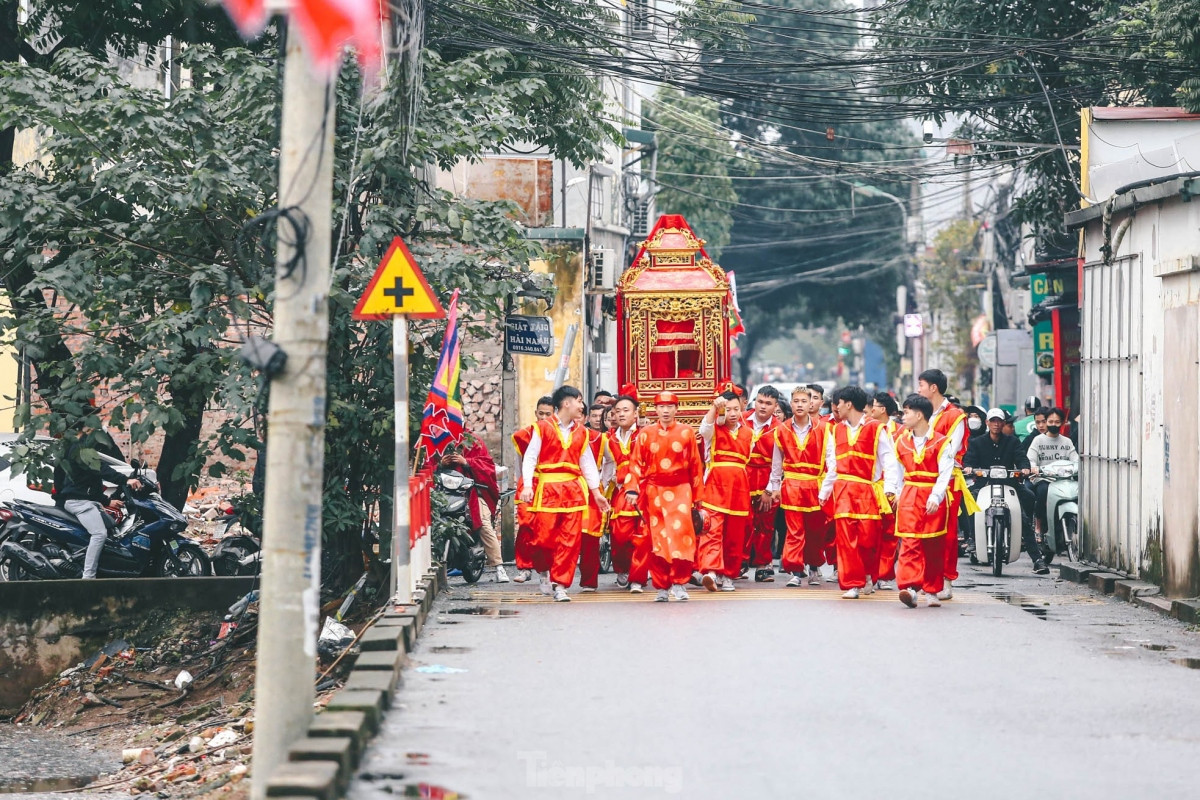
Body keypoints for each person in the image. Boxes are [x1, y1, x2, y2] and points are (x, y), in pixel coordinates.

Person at [519, 386, 611, 602]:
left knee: (570, 541)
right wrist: (527, 486)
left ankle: (561, 584)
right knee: (543, 540)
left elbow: (587, 463)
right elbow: (530, 457)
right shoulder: (542, 428)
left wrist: (596, 493)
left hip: (573, 492)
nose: (581, 405)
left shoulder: (582, 432)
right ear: (567, 403)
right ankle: (543, 570)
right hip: (548, 490)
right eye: (579, 401)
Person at [818, 386, 901, 599]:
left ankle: (868, 574)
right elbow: (833, 464)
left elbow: (889, 461)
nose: (835, 408)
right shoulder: (836, 430)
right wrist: (825, 490)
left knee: (868, 540)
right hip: (844, 491)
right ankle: (852, 584)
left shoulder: (876, 428)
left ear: (848, 403)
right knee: (846, 541)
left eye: (838, 403)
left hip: (867, 490)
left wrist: (891, 489)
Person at [626, 391, 705, 601]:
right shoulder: (645, 433)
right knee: (657, 538)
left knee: (682, 537)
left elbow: (696, 466)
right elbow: (634, 464)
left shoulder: (687, 432)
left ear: (676, 409)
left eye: (670, 406)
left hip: (681, 489)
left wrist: (698, 499)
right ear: (656, 409)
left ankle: (679, 583)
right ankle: (661, 585)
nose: (666, 410)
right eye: (662, 406)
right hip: (654, 491)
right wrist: (632, 489)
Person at [55, 417, 143, 579]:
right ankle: (88, 577)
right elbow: (102, 469)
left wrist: (107, 501)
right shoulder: (81, 450)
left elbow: (90, 483)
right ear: (86, 430)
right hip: (79, 502)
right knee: (99, 534)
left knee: (112, 527)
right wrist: (125, 480)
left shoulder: (76, 449)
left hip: (84, 500)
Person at [917, 369, 976, 601]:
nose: (919, 388)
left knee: (948, 535)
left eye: (921, 384)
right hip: (920, 480)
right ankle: (926, 579)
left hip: (948, 482)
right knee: (921, 532)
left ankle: (946, 580)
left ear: (933, 388)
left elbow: (950, 452)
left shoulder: (955, 416)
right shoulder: (920, 412)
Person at [964, 408, 1047, 573]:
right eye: (992, 420)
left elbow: (1021, 457)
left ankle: (1037, 559)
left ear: (1003, 423)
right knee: (968, 499)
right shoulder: (976, 442)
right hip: (984, 484)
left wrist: (1024, 468)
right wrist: (969, 468)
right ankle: (972, 537)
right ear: (987, 422)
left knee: (1025, 507)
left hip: (1010, 484)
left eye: (999, 421)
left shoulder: (1013, 442)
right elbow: (969, 459)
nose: (996, 424)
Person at [893, 395, 955, 608]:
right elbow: (897, 471)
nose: (903, 416)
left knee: (933, 546)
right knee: (909, 543)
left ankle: (932, 590)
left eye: (907, 412)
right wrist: (895, 493)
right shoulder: (901, 441)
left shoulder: (941, 441)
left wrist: (936, 496)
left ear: (919, 415)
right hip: (910, 496)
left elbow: (945, 473)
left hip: (932, 497)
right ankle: (910, 588)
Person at [766, 386, 829, 587]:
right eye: (796, 401)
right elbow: (776, 464)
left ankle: (813, 567)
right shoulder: (781, 430)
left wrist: (827, 488)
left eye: (804, 401)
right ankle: (795, 569)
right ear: (791, 404)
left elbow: (831, 461)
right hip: (792, 486)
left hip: (815, 486)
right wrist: (774, 486)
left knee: (815, 531)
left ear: (811, 404)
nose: (800, 405)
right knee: (794, 530)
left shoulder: (824, 429)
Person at [698, 388, 753, 593]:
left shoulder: (748, 433)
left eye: (736, 409)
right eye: (728, 409)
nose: (732, 413)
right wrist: (714, 408)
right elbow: (704, 428)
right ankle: (711, 571)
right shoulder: (714, 430)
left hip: (739, 489)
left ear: (742, 410)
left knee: (735, 535)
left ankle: (729, 574)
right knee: (711, 530)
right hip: (715, 486)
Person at [439, 430, 506, 583]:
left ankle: (499, 566)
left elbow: (487, 466)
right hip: (445, 492)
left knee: (483, 522)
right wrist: (441, 463)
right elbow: (428, 466)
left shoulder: (473, 440)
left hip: (474, 491)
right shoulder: (438, 440)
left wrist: (467, 462)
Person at [602, 391, 644, 590]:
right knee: (619, 535)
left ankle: (638, 577)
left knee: (642, 536)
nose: (621, 414)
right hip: (621, 491)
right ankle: (623, 569)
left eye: (626, 410)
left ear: (636, 414)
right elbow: (608, 466)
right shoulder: (610, 439)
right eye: (617, 411)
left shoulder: (645, 434)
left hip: (643, 490)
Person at [510, 395, 554, 583]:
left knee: (547, 527)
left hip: (550, 483)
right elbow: (521, 463)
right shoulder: (524, 434)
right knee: (526, 524)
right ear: (535, 413)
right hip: (529, 482)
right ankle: (525, 567)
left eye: (548, 414)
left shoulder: (557, 434)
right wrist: (524, 482)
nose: (543, 417)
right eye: (541, 413)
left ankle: (546, 566)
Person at [744, 385, 781, 581]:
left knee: (765, 525)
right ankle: (740, 561)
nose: (763, 407)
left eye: (768, 403)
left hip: (766, 478)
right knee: (743, 522)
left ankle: (763, 565)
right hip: (743, 479)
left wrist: (770, 489)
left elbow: (779, 462)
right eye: (760, 402)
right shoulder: (741, 420)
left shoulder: (780, 428)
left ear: (775, 406)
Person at [1026, 407, 1079, 537]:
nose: (1053, 425)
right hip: (1042, 479)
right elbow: (1030, 459)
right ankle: (1038, 525)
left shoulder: (1067, 442)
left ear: (1062, 423)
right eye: (1050, 421)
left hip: (1062, 481)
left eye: (1057, 422)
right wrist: (1034, 467)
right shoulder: (1038, 440)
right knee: (1043, 491)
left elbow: (1075, 459)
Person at [868, 391, 902, 588]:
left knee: (890, 534)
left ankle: (884, 574)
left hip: (892, 488)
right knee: (871, 533)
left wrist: (897, 490)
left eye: (874, 405)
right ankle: (872, 574)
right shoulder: (868, 428)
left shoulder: (900, 432)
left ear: (883, 409)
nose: (871, 409)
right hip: (873, 489)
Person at [578, 418, 609, 592]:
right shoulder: (550, 433)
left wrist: (602, 481)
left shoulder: (596, 438)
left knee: (589, 537)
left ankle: (588, 580)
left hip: (590, 491)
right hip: (560, 488)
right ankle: (554, 578)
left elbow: (610, 460)